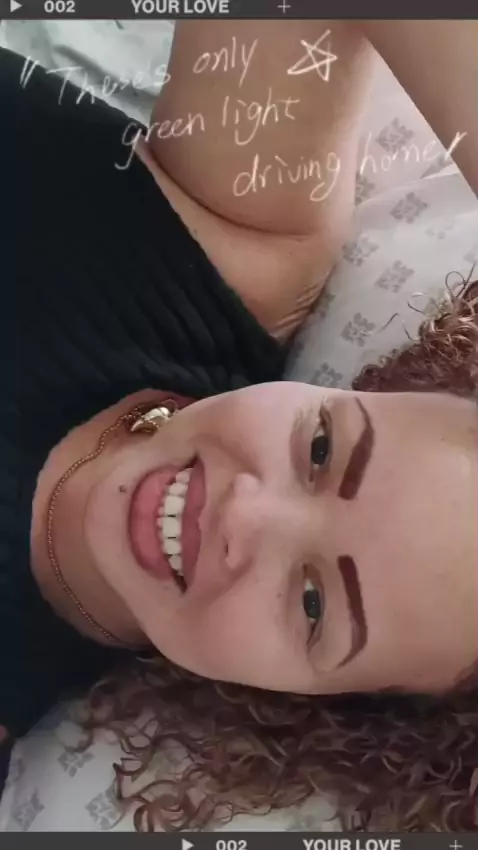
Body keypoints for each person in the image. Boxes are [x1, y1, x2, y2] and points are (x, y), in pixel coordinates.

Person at [1, 18, 477, 833]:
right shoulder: (244, 239)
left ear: (312, 703)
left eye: (313, 603)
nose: (245, 512)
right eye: (322, 449)